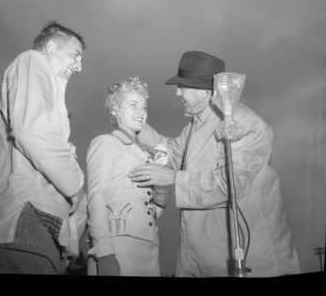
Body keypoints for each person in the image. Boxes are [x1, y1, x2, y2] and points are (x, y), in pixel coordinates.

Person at [129, 51, 301, 277]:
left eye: (183, 86)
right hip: (201, 260)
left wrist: (172, 178)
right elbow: (170, 152)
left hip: (252, 264)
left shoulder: (245, 123)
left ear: (206, 92)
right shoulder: (194, 127)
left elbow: (230, 183)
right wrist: (131, 117)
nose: (177, 92)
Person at [0, 21, 88, 275]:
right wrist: (76, 185)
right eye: (75, 55)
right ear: (53, 47)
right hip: (23, 219)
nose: (80, 66)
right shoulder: (33, 61)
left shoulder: (48, 89)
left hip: (34, 225)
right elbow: (32, 130)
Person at [86, 77, 171, 276]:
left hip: (149, 245)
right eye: (133, 105)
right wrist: (104, 251)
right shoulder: (105, 143)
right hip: (118, 244)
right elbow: (96, 197)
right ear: (115, 111)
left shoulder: (145, 153)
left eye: (144, 106)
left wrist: (160, 199)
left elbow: (147, 208)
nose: (141, 111)